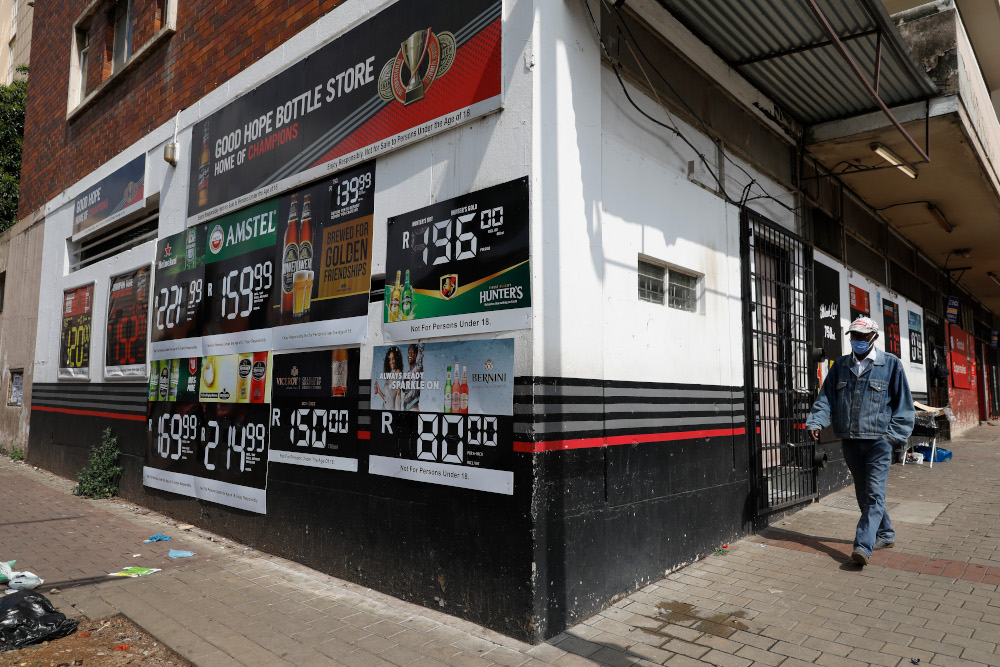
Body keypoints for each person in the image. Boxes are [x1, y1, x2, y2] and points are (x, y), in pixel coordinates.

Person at [805, 316, 914, 566]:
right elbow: (825, 399)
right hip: (851, 441)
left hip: (879, 442)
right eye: (854, 336)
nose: (857, 341)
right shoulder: (841, 366)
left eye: (862, 337)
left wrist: (891, 439)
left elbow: (904, 407)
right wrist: (816, 421)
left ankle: (863, 547)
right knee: (864, 494)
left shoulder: (891, 365)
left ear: (874, 337)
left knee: (874, 494)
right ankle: (885, 534)